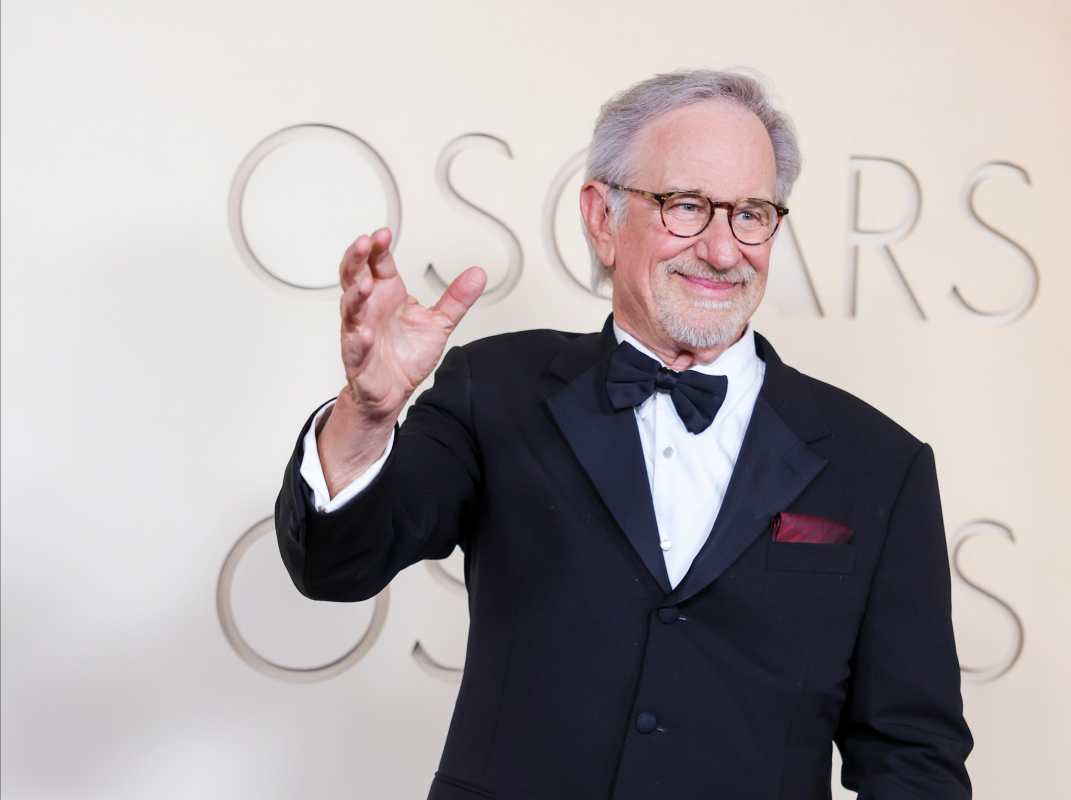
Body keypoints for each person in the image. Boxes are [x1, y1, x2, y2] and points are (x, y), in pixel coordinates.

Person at [274, 69, 973, 799]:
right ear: (602, 218)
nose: (724, 250)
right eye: (687, 206)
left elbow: (912, 756)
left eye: (752, 213)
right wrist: (367, 413)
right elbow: (336, 567)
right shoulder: (497, 390)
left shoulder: (879, 463)